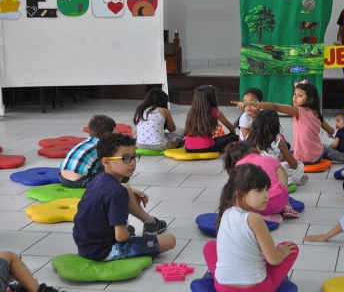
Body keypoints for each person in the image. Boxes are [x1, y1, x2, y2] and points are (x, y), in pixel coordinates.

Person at [73, 133, 176, 261]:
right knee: (170, 240)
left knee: (125, 187)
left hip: (84, 245)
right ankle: (137, 230)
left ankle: (148, 224)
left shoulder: (98, 180)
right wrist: (127, 234)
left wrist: (130, 190)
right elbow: (121, 237)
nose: (132, 163)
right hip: (103, 251)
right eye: (125, 158)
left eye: (134, 157)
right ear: (106, 162)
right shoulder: (117, 193)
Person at [203, 164, 298, 292]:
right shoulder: (254, 219)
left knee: (209, 246)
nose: (267, 195)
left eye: (266, 190)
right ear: (240, 194)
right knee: (291, 248)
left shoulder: (226, 212)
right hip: (257, 288)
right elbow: (274, 260)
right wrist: (281, 252)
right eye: (259, 190)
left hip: (223, 287)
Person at [233, 81, 335, 165]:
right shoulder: (315, 112)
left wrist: (251, 103)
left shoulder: (298, 111)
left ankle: (327, 153)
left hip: (305, 158)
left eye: (299, 95)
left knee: (279, 157)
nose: (295, 97)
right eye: (294, 94)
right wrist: (330, 132)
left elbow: (275, 107)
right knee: (315, 146)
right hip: (318, 153)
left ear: (310, 100)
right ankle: (328, 153)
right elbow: (331, 130)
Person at [223, 141, 298, 223]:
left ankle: (261, 215)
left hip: (254, 207)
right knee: (279, 169)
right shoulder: (269, 159)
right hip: (279, 202)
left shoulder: (239, 166)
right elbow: (285, 175)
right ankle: (286, 205)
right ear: (258, 149)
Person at [247, 109, 308, 186]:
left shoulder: (248, 138)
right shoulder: (278, 141)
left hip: (251, 175)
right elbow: (294, 165)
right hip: (269, 176)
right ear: (275, 126)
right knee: (299, 166)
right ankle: (296, 179)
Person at [58, 115, 116, 188]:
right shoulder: (103, 145)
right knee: (111, 169)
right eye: (114, 133)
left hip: (62, 178)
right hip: (80, 181)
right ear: (108, 134)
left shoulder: (85, 142)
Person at [184, 85, 238, 153]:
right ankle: (225, 148)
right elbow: (231, 129)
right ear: (211, 98)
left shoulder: (191, 112)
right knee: (234, 136)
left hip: (188, 147)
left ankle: (222, 148)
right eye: (215, 96)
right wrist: (232, 133)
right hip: (207, 147)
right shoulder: (216, 112)